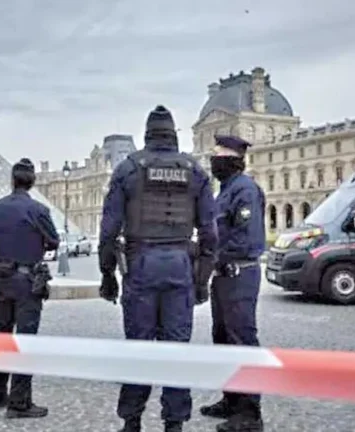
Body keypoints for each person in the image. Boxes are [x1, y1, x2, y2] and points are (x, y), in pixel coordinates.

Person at [98, 105, 218, 432]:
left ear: (147, 135)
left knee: (138, 348)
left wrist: (108, 274)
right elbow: (210, 234)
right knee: (176, 350)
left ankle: (132, 422)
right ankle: (174, 424)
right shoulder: (195, 172)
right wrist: (202, 280)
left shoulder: (128, 169)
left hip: (140, 266)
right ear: (173, 136)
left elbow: (108, 232)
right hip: (181, 266)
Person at [200, 135, 266, 432]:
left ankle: (250, 413)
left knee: (242, 340)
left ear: (231, 160)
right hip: (224, 275)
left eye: (217, 156)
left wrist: (215, 254)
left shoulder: (245, 190)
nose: (213, 162)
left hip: (240, 273)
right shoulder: (226, 190)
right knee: (223, 339)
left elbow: (246, 238)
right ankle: (231, 399)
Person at [0, 158, 60, 419]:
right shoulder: (37, 209)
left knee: (1, 337)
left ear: (12, 180)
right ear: (32, 182)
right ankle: (19, 403)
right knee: (25, 341)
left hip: (3, 278)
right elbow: (53, 241)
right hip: (27, 282)